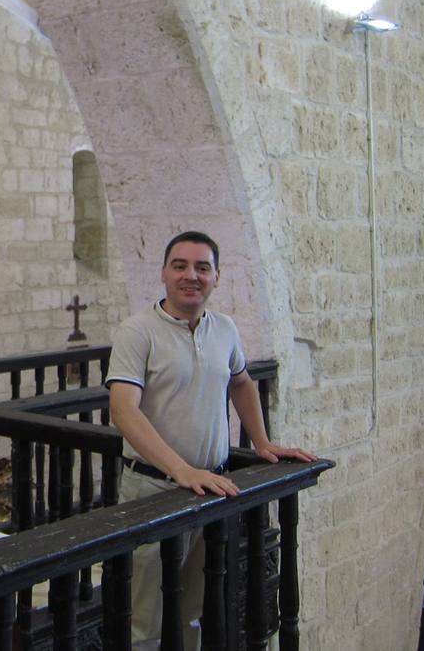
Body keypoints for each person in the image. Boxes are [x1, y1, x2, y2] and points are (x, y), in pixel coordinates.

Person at [106, 231, 315, 649]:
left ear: (217, 277)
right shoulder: (137, 331)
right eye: (180, 265)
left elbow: (241, 383)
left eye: (203, 267)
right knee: (144, 620)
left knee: (193, 612)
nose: (191, 275)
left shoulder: (225, 329)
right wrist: (179, 469)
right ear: (164, 274)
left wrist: (262, 442)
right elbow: (123, 410)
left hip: (210, 489)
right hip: (153, 487)